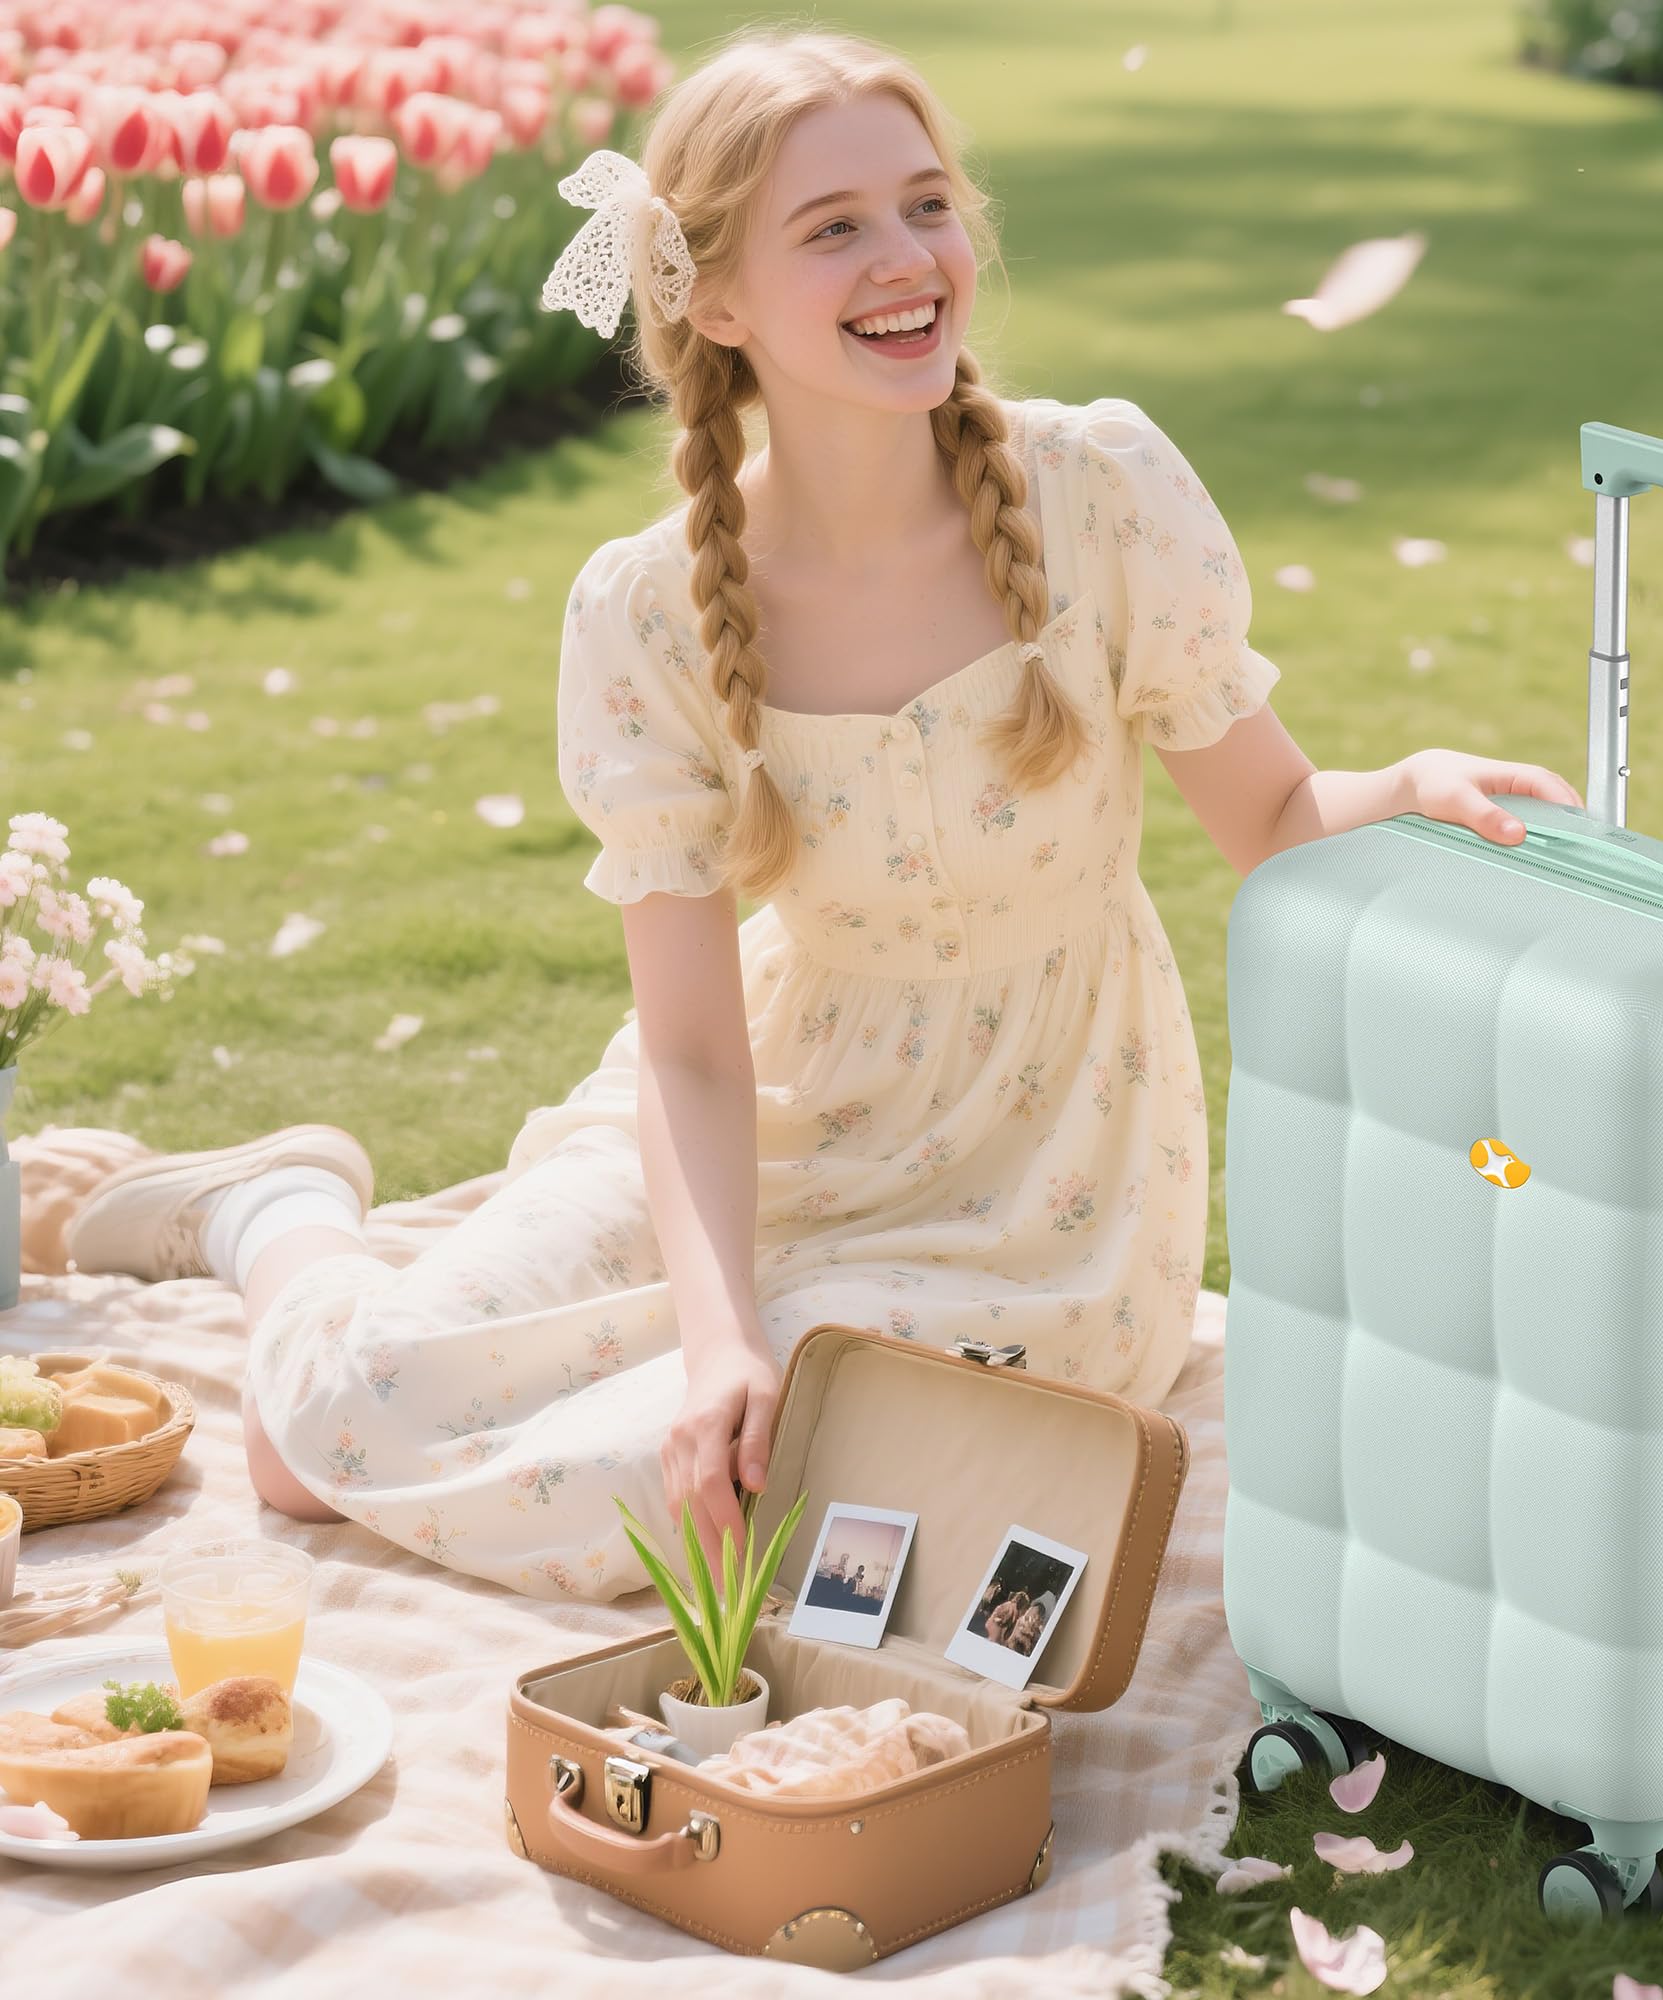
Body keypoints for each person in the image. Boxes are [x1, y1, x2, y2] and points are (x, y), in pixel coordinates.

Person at [58, 26, 1581, 1605]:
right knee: (308, 1454)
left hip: (1038, 1192)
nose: (907, 257)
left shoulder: (1097, 492)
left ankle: (561, 1328)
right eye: (834, 227)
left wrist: (1403, 792)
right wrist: (720, 1336)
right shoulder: (646, 610)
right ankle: (281, 1212)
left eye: (925, 205)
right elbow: (697, 1051)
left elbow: (1271, 813)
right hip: (772, 1108)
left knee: (770, 1489)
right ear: (715, 302)